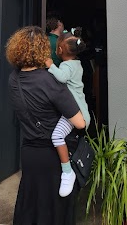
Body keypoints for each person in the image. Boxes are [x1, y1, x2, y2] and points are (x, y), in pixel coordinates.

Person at [7, 25, 86, 225]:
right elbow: (79, 122)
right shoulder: (50, 81)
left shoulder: (14, 79)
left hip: (30, 153)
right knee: (55, 211)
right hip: (54, 157)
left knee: (31, 208)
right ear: (43, 49)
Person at [45, 27, 91, 197]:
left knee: (57, 136)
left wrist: (50, 65)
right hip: (80, 110)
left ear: (60, 50)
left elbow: (62, 77)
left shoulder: (66, 66)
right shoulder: (77, 64)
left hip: (74, 112)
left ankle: (67, 171)